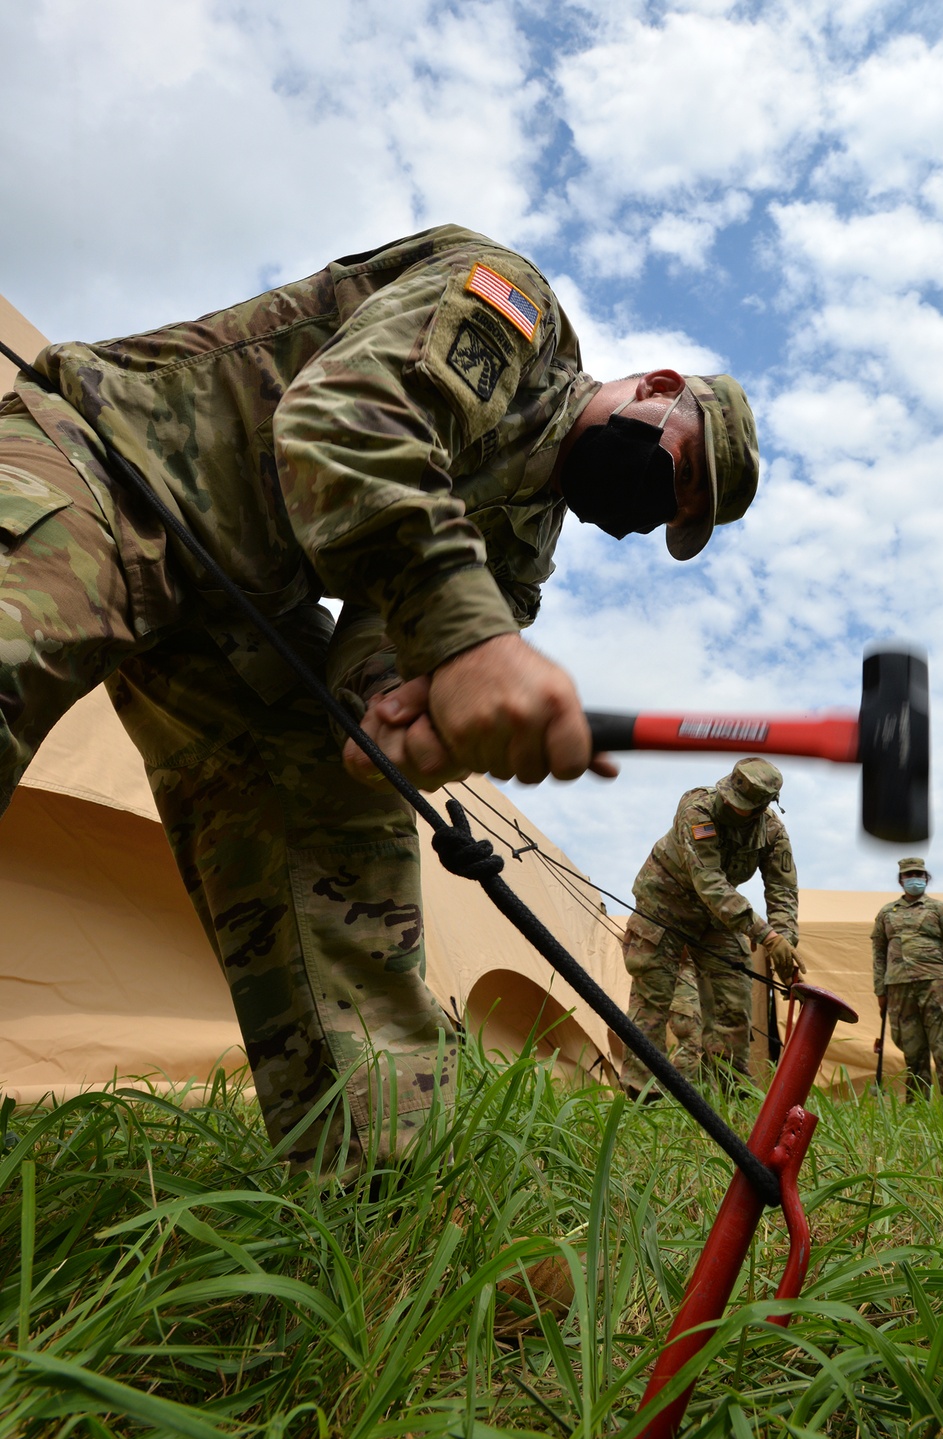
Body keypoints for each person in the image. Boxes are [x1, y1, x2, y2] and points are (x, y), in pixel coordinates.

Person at [0, 223, 759, 1175]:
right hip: (104, 462)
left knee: (341, 818)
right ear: (655, 388)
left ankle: (384, 1206)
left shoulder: (525, 547)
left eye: (672, 518)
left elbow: (381, 642)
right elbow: (347, 417)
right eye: (679, 471)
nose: (652, 507)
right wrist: (471, 641)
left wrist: (393, 713)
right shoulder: (510, 311)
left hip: (233, 602)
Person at [621, 756, 800, 1094]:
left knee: (733, 998)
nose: (734, 809)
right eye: (733, 800)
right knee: (653, 998)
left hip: (717, 919)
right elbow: (711, 884)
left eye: (745, 807)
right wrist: (765, 934)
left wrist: (785, 942)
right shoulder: (697, 809)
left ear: (763, 808)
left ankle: (726, 1092)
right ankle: (641, 1093)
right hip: (664, 906)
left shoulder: (773, 832)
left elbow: (783, 890)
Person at [871, 857, 943, 1099]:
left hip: (936, 986)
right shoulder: (886, 913)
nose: (915, 878)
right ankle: (917, 1109)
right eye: (909, 874)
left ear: (926, 878)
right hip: (898, 989)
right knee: (912, 1052)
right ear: (901, 879)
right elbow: (878, 953)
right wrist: (880, 991)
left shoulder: (940, 909)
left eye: (919, 874)